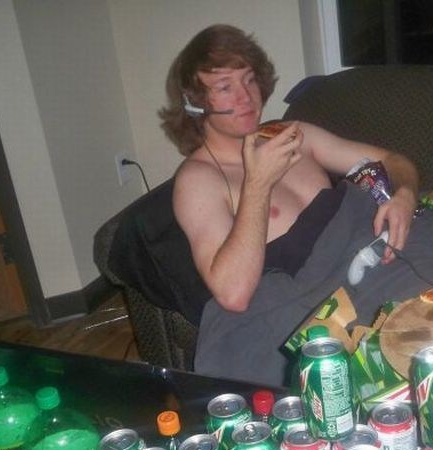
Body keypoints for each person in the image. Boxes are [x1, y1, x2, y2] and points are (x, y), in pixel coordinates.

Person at [159, 24, 419, 314]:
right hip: (322, 304)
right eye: (225, 87)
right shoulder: (198, 180)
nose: (246, 96)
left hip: (380, 263)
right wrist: (258, 184)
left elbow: (393, 160)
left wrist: (406, 195)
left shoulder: (292, 135)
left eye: (249, 80)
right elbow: (234, 295)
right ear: (195, 104)